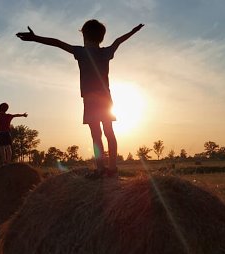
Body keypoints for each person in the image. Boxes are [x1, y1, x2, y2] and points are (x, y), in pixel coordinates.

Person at [16, 20, 144, 179]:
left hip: (90, 99)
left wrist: (35, 38)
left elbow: (57, 43)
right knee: (109, 132)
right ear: (101, 37)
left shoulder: (81, 52)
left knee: (96, 134)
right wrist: (134, 30)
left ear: (84, 35)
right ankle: (112, 168)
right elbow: (119, 40)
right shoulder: (106, 52)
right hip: (105, 98)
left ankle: (100, 169)